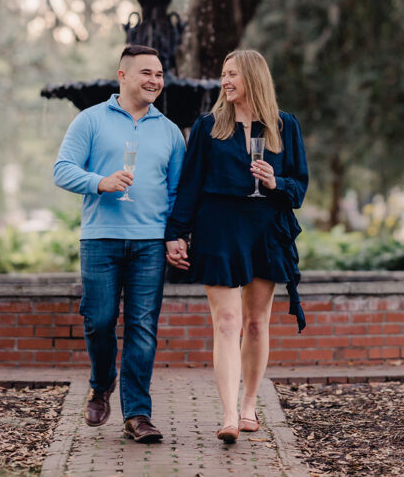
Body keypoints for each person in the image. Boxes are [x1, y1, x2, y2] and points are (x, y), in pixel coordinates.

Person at [164, 48, 308, 444]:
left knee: (257, 322)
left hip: (267, 230)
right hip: (220, 228)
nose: (226, 81)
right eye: (224, 74)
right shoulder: (209, 127)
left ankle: (248, 406)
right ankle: (228, 415)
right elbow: (190, 186)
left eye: (234, 74)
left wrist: (276, 182)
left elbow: (300, 187)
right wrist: (176, 233)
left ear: (254, 79)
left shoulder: (285, 126)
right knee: (227, 323)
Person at [53, 44, 186, 444]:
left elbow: (177, 192)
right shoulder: (90, 121)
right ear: (123, 75)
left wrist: (176, 236)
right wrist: (100, 182)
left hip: (148, 242)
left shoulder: (169, 131)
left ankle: (138, 415)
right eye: (147, 72)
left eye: (160, 74)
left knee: (143, 329)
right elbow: (62, 170)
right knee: (98, 320)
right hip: (100, 239)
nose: (155, 81)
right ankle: (100, 382)